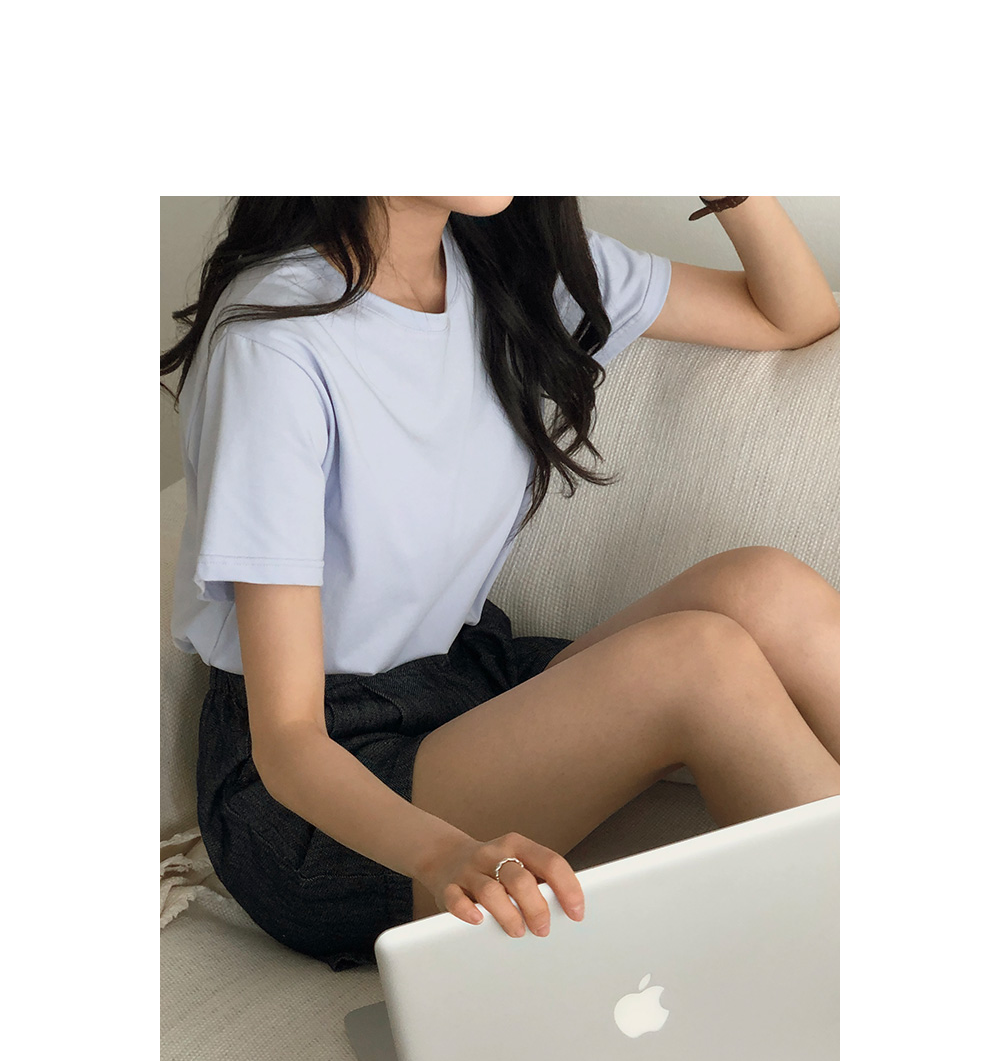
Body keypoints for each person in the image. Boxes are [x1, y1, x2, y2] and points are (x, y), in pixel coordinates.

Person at [163, 185, 840, 977]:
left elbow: (793, 317)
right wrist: (448, 855)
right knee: (699, 660)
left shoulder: (509, 267)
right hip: (316, 802)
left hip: (462, 685)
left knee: (763, 587)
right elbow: (287, 742)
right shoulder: (276, 344)